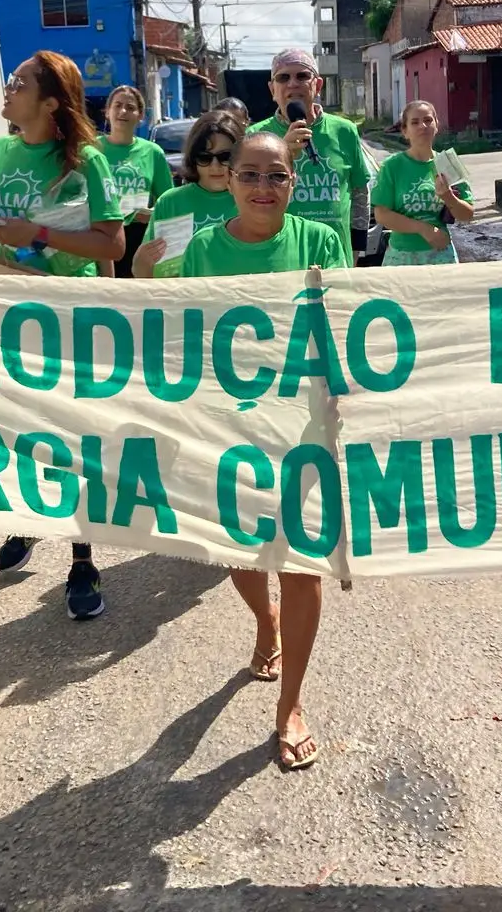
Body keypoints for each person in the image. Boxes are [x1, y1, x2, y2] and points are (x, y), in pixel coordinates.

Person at [181, 132, 348, 770]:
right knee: (239, 549)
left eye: (275, 175)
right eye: (247, 173)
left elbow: (345, 321)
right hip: (231, 425)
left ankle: (291, 704)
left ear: (292, 183)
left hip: (304, 422)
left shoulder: (320, 242)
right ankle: (265, 620)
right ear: (227, 178)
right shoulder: (202, 249)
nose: (261, 187)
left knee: (301, 561)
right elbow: (184, 333)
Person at [0, 50, 125, 617]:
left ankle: (82, 560)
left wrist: (40, 232)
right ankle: (28, 520)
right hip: (4, 316)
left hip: (63, 320)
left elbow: (111, 245)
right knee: (15, 430)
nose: (7, 88)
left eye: (19, 82)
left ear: (51, 102)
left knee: (69, 439)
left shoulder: (87, 163)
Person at [247, 48, 368, 263]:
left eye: (302, 76)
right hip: (280, 257)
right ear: (272, 90)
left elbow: (359, 192)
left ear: (318, 85)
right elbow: (246, 198)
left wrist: (357, 250)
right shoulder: (256, 136)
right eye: (283, 78)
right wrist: (283, 154)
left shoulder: (345, 131)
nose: (293, 84)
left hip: (335, 257)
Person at [131, 110, 240, 278]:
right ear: (192, 158)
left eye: (225, 156)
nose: (215, 166)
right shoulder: (170, 202)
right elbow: (144, 275)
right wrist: (140, 262)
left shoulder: (251, 199)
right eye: (204, 157)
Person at [371, 99, 474, 265]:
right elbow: (381, 214)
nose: (422, 126)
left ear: (436, 125)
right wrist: (423, 229)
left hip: (441, 256)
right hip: (401, 256)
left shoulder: (448, 162)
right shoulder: (392, 166)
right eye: (415, 122)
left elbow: (467, 215)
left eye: (428, 120)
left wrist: (448, 197)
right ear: (405, 131)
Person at [98, 84, 172, 279]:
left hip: (139, 239)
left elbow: (168, 203)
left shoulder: (153, 152)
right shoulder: (92, 149)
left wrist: (151, 215)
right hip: (100, 236)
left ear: (140, 116)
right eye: (118, 105)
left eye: (130, 108)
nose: (123, 111)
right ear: (107, 112)